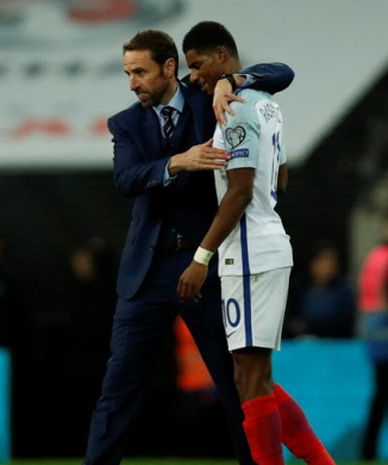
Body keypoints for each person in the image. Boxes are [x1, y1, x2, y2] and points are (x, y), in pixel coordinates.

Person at [83, 29, 294, 465]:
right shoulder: (126, 123)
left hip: (208, 264)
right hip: (147, 269)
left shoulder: (210, 101)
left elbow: (283, 72)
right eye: (127, 74)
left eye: (139, 72)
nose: (132, 83)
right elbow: (125, 179)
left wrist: (233, 81)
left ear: (169, 67)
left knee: (235, 381)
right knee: (118, 389)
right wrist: (178, 162)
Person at [177, 21, 334, 465]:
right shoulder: (267, 105)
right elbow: (279, 176)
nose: (195, 76)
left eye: (199, 64)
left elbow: (240, 192)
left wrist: (201, 257)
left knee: (249, 376)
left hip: (247, 254)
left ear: (223, 56)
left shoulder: (236, 109)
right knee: (252, 374)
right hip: (266, 244)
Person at [358, 215, 388, 460]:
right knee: (381, 391)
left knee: (380, 391)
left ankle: (368, 448)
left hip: (374, 330)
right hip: (382, 327)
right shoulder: (382, 258)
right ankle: (367, 448)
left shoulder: (374, 257)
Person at [286, 243, 355, 339]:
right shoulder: (298, 288)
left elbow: (346, 320)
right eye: (322, 261)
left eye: (331, 263)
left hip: (335, 343)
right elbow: (289, 318)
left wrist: (313, 326)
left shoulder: (343, 291)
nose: (326, 267)